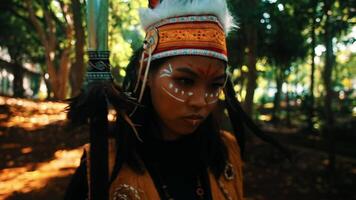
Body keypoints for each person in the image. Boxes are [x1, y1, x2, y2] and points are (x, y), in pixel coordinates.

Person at [65, 0, 287, 199]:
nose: (201, 102)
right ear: (145, 73)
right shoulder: (103, 165)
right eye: (184, 81)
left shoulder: (227, 151)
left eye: (215, 85)